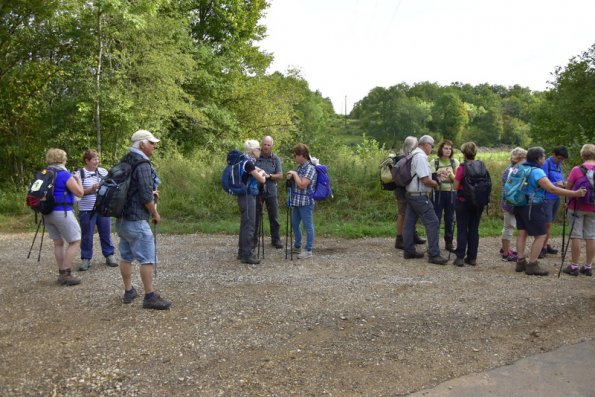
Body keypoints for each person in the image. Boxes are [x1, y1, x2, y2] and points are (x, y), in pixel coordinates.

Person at [116, 130, 171, 309]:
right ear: (142, 144)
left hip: (122, 219)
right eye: (151, 143)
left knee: (126, 256)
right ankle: (149, 296)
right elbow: (146, 195)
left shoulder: (125, 160)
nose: (154, 146)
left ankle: (128, 290)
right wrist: (154, 213)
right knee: (147, 258)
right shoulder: (143, 164)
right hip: (137, 219)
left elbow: (132, 188)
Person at [514, 147, 585, 276]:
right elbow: (552, 189)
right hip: (533, 205)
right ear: (537, 159)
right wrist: (575, 193)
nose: (544, 158)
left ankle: (520, 261)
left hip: (519, 204)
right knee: (541, 234)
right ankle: (532, 264)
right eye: (542, 156)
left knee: (522, 233)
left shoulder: (519, 167)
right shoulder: (537, 172)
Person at [402, 135, 448, 265]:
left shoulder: (412, 154)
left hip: (411, 193)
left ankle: (409, 250)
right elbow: (425, 180)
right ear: (426, 144)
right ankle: (434, 254)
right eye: (432, 146)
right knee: (433, 222)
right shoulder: (421, 157)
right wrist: (437, 183)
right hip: (420, 195)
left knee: (409, 223)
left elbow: (419, 176)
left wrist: (435, 176)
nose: (432, 149)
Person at [42, 148, 84, 285]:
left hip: (46, 212)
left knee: (58, 242)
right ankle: (66, 273)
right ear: (62, 159)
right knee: (75, 240)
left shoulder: (44, 173)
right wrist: (78, 179)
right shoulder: (64, 174)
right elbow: (79, 193)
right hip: (62, 211)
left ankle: (61, 271)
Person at [76, 149, 117, 271]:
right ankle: (86, 258)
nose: (97, 161)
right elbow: (77, 193)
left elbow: (112, 185)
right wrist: (90, 189)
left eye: (98, 159)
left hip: (103, 208)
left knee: (106, 232)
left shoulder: (103, 171)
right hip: (86, 210)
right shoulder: (78, 174)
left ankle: (109, 255)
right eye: (94, 159)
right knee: (87, 235)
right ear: (87, 161)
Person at [561, 143, 595, 277]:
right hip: (593, 208)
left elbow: (568, 189)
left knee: (576, 235)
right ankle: (588, 266)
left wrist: (566, 202)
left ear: (583, 155)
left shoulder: (577, 169)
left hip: (576, 206)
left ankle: (574, 266)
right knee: (591, 236)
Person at [452, 142, 487, 267]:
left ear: (463, 153)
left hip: (463, 201)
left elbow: (455, 186)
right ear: (475, 153)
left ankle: (460, 258)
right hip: (478, 203)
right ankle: (472, 258)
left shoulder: (462, 168)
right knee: (474, 229)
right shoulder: (482, 166)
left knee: (462, 229)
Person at [237, 139, 267, 264]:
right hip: (248, 196)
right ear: (253, 150)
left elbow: (255, 170)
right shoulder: (248, 163)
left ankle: (242, 251)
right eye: (259, 149)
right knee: (249, 224)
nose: (260, 151)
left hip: (243, 196)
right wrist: (263, 174)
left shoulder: (244, 160)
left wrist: (260, 171)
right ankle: (247, 254)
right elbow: (262, 180)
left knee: (245, 223)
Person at [394, 136, 426, 250]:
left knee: (411, 213)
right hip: (402, 190)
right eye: (416, 144)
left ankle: (413, 235)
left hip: (404, 189)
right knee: (402, 214)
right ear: (413, 146)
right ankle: (399, 239)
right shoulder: (404, 158)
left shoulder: (402, 157)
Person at [287, 143, 317, 259]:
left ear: (302, 155)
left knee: (308, 226)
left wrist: (294, 174)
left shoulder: (310, 168)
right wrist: (291, 176)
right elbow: (297, 181)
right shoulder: (300, 167)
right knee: (294, 223)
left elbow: (302, 184)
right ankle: (297, 245)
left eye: (295, 155)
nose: (294, 157)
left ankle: (308, 250)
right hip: (297, 201)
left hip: (306, 202)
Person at [539, 146, 569, 258]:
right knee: (547, 223)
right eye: (559, 158)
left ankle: (546, 244)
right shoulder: (546, 164)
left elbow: (560, 179)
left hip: (556, 197)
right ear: (554, 154)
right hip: (547, 197)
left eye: (562, 159)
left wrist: (564, 183)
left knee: (550, 223)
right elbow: (543, 181)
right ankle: (542, 247)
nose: (560, 160)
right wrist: (557, 184)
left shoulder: (558, 165)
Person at [255, 136, 284, 249]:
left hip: (271, 190)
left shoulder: (275, 159)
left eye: (268, 145)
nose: (266, 147)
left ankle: (276, 239)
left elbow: (280, 175)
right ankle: (254, 239)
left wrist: (270, 176)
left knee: (274, 216)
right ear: (261, 145)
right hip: (257, 190)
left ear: (272, 146)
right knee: (256, 215)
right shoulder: (256, 157)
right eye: (264, 144)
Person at [499, 147, 527, 262]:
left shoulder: (510, 169)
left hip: (507, 202)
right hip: (512, 203)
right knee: (509, 228)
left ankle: (506, 248)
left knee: (508, 227)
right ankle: (506, 253)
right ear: (520, 158)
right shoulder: (515, 171)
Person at [431, 139, 459, 252]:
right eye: (445, 148)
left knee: (449, 218)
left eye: (449, 148)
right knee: (436, 218)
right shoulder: (434, 162)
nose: (448, 150)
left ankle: (449, 242)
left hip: (451, 193)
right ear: (440, 149)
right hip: (438, 193)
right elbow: (430, 177)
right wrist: (438, 175)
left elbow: (458, 180)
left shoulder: (455, 162)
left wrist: (450, 174)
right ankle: (434, 243)